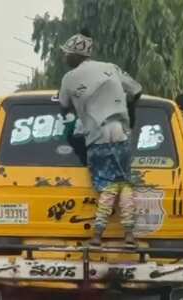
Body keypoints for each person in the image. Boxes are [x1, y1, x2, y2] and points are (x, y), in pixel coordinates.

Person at [57, 29, 143, 248]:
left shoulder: (68, 78)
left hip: (96, 139)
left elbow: (64, 107)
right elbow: (136, 90)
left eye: (67, 53)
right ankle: (129, 235)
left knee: (108, 188)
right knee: (123, 185)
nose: (64, 57)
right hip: (121, 134)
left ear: (77, 55)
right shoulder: (110, 68)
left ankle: (97, 235)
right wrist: (128, 114)